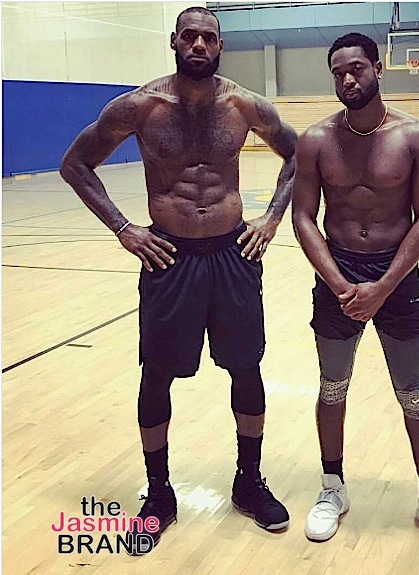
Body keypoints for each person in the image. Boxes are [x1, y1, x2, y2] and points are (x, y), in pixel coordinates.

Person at [60, 7, 297, 553]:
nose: (198, 44)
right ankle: (160, 493)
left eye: (208, 37)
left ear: (221, 46)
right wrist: (123, 228)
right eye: (189, 35)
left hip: (232, 253)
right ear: (174, 40)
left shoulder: (243, 104)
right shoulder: (140, 106)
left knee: (246, 366)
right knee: (157, 375)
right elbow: (75, 163)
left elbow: (297, 154)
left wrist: (271, 217)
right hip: (168, 259)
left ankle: (249, 482)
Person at [292, 33, 419, 556]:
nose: (348, 79)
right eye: (339, 71)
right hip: (337, 277)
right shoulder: (316, 140)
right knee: (331, 388)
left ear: (379, 68)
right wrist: (341, 285)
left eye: (358, 69)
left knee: (413, 391)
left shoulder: (417, 137)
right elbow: (303, 216)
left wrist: (384, 285)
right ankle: (332, 488)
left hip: (397, 275)